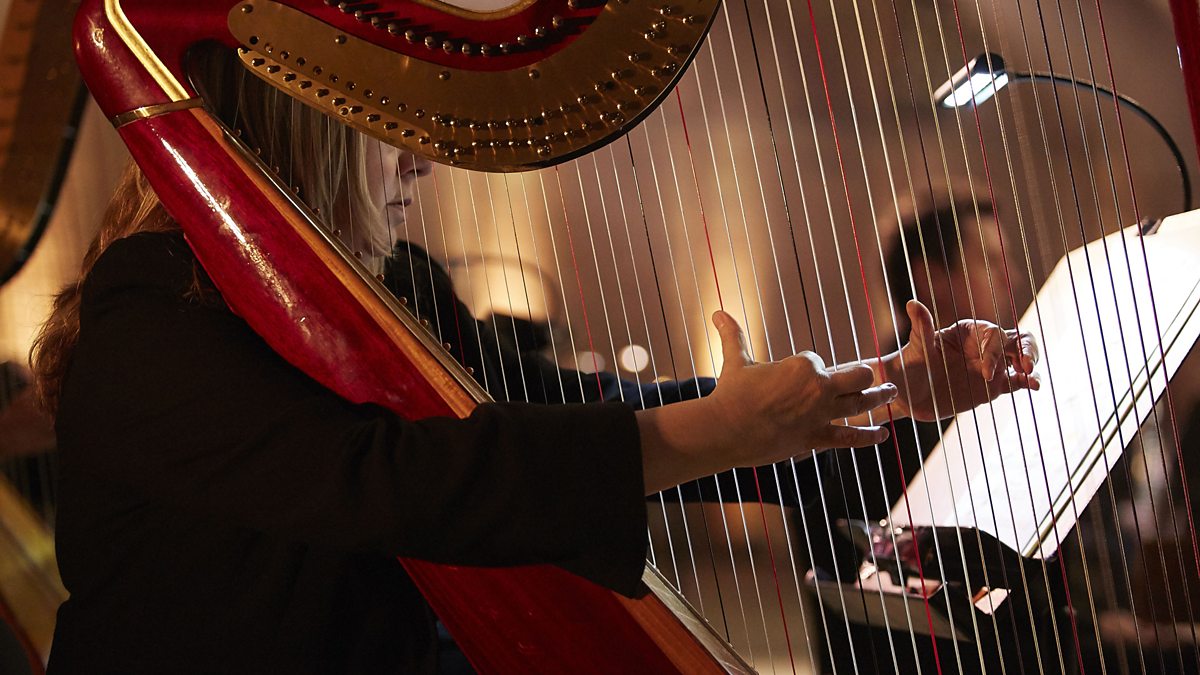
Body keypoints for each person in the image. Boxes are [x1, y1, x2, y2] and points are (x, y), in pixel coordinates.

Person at [30, 49, 1040, 673]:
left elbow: (563, 409)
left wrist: (886, 389)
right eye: (394, 128)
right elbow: (393, 483)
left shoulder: (404, 285)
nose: (423, 159)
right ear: (311, 117)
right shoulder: (149, 310)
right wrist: (711, 431)